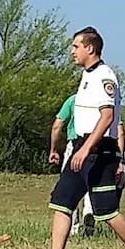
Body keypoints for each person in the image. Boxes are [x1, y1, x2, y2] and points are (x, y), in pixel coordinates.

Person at [33, 27, 125, 249]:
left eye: (76, 46)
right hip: (81, 147)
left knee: (106, 210)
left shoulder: (104, 76)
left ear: (90, 48)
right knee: (62, 202)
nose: (72, 52)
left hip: (99, 151)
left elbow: (108, 116)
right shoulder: (86, 76)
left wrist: (87, 148)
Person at [50, 94, 94, 236]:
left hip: (75, 143)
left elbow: (57, 125)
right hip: (96, 145)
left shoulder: (73, 100)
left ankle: (73, 227)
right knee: (91, 183)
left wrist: (54, 150)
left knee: (69, 186)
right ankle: (89, 215)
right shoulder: (101, 100)